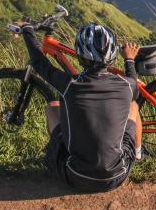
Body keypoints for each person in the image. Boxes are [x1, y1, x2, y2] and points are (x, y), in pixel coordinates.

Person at [17, 21, 143, 192]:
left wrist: (27, 30)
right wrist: (129, 59)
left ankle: (56, 153)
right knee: (133, 106)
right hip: (116, 176)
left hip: (76, 177)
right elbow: (134, 87)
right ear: (113, 54)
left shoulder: (70, 84)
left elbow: (40, 63)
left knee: (53, 107)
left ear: (80, 55)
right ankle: (137, 154)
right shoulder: (127, 85)